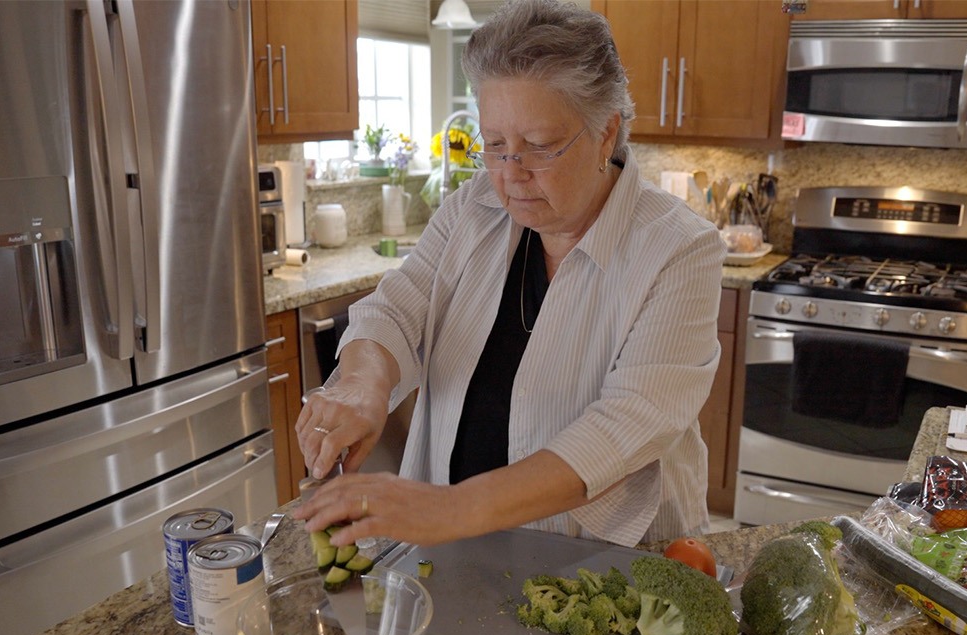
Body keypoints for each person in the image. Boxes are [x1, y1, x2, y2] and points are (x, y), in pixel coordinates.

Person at [293, 0, 723, 549]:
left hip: (609, 566)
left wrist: (447, 510)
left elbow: (621, 430)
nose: (509, 176)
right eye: (493, 146)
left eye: (539, 147)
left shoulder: (680, 249)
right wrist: (360, 388)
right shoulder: (473, 207)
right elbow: (394, 311)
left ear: (607, 134)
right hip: (457, 557)